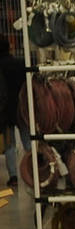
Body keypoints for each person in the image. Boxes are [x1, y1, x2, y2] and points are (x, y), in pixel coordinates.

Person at [0, 37, 26, 188]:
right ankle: (33, 171)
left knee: (10, 145)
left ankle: (14, 177)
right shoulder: (20, 63)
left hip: (6, 112)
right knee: (28, 142)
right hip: (22, 109)